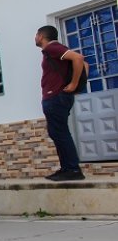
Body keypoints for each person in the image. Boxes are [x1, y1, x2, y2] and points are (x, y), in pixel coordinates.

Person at [36, 25, 86, 181]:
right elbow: (86, 66)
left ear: (41, 36)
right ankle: (67, 168)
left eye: (36, 35)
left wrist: (73, 84)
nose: (35, 38)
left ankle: (72, 169)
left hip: (56, 97)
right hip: (57, 97)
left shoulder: (53, 48)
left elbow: (79, 59)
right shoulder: (53, 51)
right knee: (57, 132)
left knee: (60, 132)